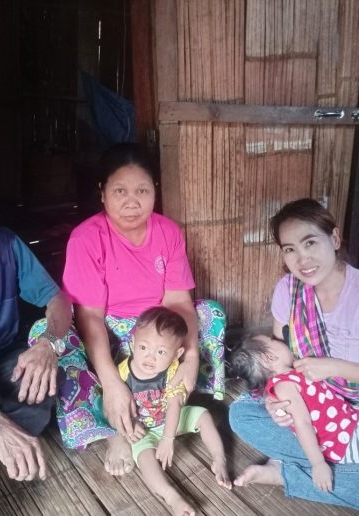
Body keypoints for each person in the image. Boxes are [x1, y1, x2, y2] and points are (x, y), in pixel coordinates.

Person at [32, 142, 226, 476]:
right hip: (108, 331)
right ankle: (113, 427)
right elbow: (90, 316)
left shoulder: (168, 232)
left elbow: (178, 301)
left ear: (155, 190)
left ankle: (174, 399)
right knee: (46, 335)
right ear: (102, 192)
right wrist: (111, 383)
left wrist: (191, 357)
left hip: (157, 332)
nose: (132, 202)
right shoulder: (86, 238)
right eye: (120, 191)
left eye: (142, 191)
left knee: (211, 313)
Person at [229, 198, 359, 509]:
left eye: (310, 242)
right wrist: (273, 402)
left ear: (335, 238)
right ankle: (327, 467)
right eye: (290, 249)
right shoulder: (289, 290)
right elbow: (276, 354)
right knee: (241, 413)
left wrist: (335, 368)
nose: (302, 259)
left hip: (352, 411)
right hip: (312, 407)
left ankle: (287, 473)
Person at [0, 164, 72, 503]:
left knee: (39, 384)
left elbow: (59, 301)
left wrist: (48, 343)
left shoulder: (5, 244)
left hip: (1, 362)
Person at [118, 306, 230, 516]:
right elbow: (118, 405)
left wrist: (168, 438)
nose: (150, 357)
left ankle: (219, 459)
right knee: (144, 457)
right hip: (144, 430)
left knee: (204, 416)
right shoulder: (123, 372)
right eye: (143, 347)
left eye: (161, 352)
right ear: (133, 343)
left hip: (172, 420)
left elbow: (174, 406)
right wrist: (130, 424)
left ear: (177, 354)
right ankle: (171, 497)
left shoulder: (172, 372)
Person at [228, 335, 359, 492]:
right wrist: (318, 463)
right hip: (345, 438)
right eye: (274, 340)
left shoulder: (293, 374)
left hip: (349, 420)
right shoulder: (285, 386)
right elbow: (302, 423)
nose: (282, 340)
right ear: (269, 357)